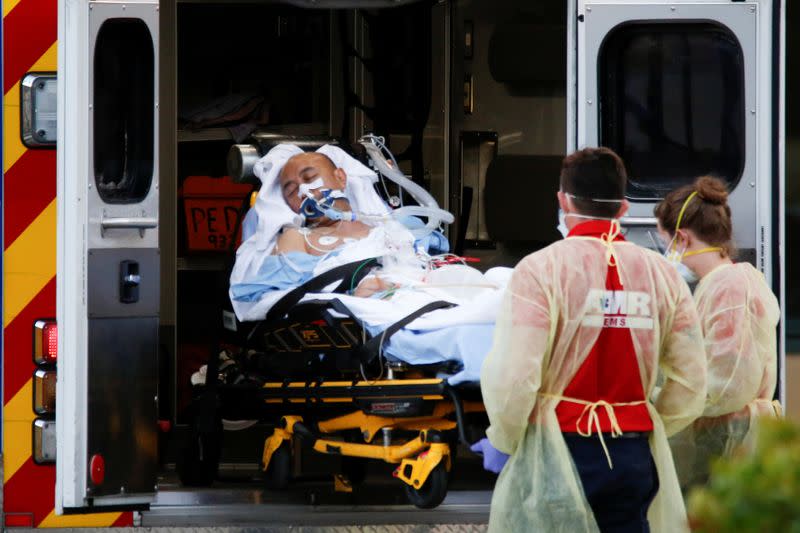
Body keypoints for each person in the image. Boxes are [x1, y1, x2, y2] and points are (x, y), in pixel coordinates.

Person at [475, 147, 707, 533]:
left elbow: (516, 374)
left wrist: (504, 436)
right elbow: (691, 377)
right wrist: (646, 421)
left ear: (562, 200)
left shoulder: (540, 270)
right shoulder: (662, 275)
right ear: (623, 208)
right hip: (633, 451)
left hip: (558, 450)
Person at [655, 175, 781, 490]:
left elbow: (726, 385)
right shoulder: (725, 283)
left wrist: (660, 401)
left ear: (681, 238)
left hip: (728, 441)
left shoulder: (730, 288)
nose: (667, 252)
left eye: (665, 243)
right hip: (725, 438)